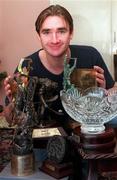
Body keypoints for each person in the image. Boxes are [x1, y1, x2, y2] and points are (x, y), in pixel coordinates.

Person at [4, 4, 116, 179]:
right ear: (38, 36)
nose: (54, 39)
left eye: (61, 31)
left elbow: (112, 94)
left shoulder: (90, 56)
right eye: (47, 32)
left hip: (84, 136)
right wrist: (13, 101)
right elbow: (11, 119)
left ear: (71, 33)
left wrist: (103, 93)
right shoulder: (26, 67)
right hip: (45, 142)